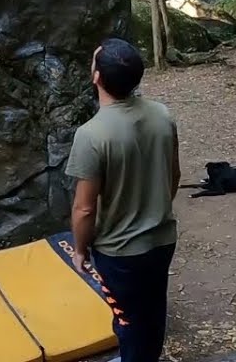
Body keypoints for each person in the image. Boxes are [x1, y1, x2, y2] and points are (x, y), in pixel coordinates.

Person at [65, 38, 180, 362]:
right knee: (154, 313)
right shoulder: (162, 115)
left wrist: (79, 250)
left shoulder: (92, 134)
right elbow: (173, 176)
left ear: (96, 77)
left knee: (127, 322)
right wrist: (154, 211)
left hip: (120, 254)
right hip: (162, 240)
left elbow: (85, 208)